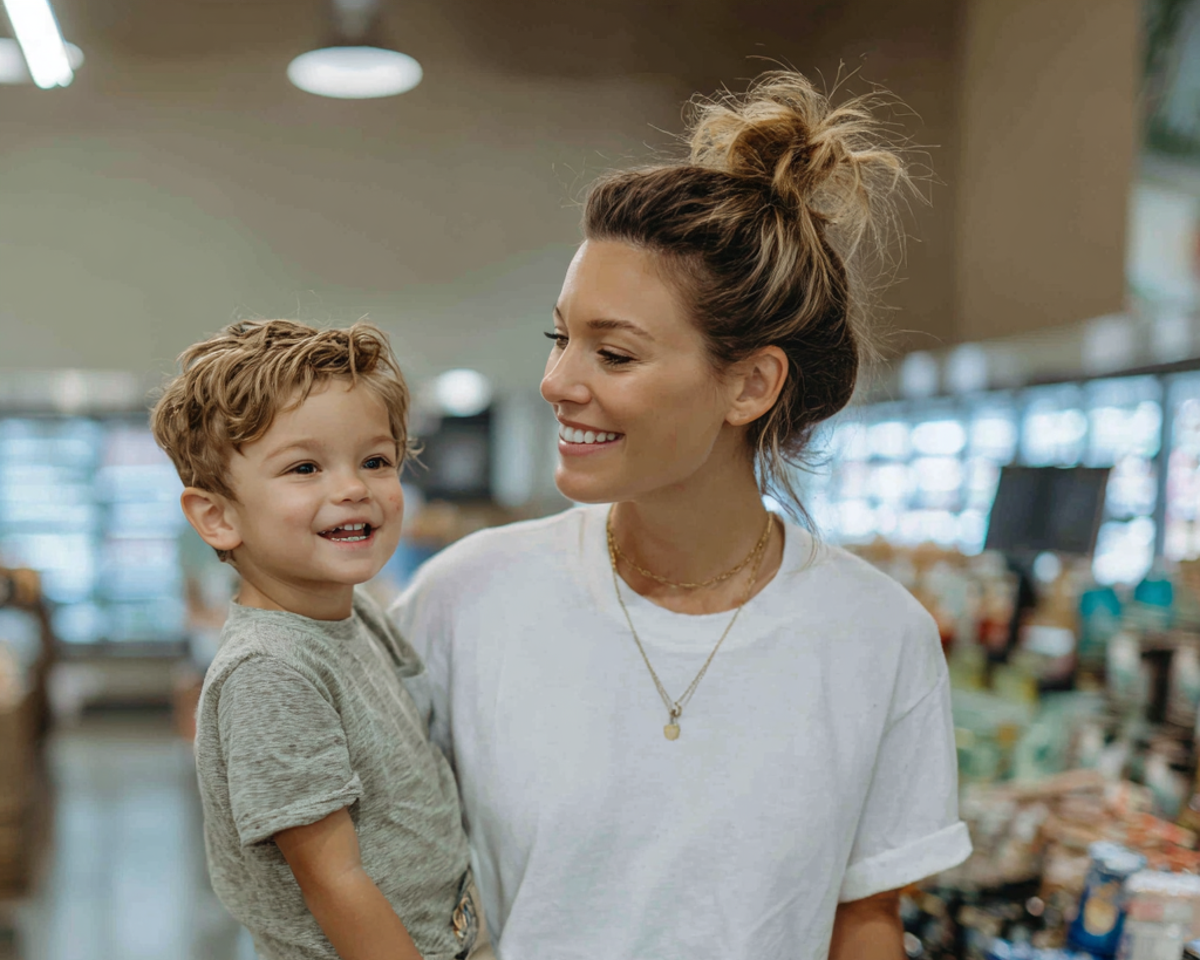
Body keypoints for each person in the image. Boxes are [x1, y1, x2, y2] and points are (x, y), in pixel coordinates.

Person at [391, 71, 971, 959]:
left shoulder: (879, 638)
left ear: (750, 384)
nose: (556, 383)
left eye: (614, 354)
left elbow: (864, 921)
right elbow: (361, 861)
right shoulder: (465, 598)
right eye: (560, 338)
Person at [151, 320, 494, 960]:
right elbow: (334, 881)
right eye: (305, 467)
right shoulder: (269, 672)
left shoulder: (357, 614)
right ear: (218, 517)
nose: (353, 488)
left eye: (375, 461)